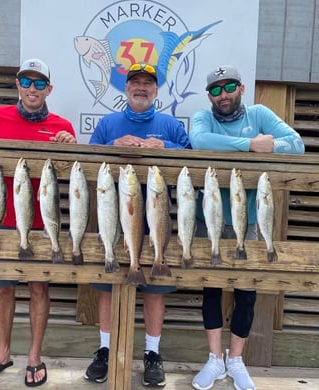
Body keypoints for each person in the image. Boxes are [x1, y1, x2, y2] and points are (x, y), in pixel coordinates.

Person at [189, 65, 305, 390]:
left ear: (241, 87)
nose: (222, 95)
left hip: (252, 222)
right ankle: (214, 359)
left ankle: (236, 360)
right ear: (209, 96)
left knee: (246, 292)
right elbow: (199, 141)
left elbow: (296, 144)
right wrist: (251, 145)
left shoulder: (260, 113)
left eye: (228, 88)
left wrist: (274, 146)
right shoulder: (203, 118)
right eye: (215, 90)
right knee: (210, 289)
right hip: (208, 218)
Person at [0, 58, 76, 387]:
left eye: (40, 83)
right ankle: (2, 353)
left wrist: (70, 146)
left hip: (43, 223)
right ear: (17, 84)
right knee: (2, 289)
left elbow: (72, 175)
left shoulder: (63, 125)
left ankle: (35, 356)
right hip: (2, 221)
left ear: (49, 89)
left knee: (39, 288)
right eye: (26, 82)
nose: (32, 89)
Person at [84, 63, 191, 388]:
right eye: (135, 82)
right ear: (126, 88)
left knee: (155, 291)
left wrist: (166, 148)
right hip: (114, 221)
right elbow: (87, 159)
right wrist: (112, 147)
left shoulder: (170, 125)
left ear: (156, 90)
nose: (141, 87)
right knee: (108, 288)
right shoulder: (108, 124)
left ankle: (152, 354)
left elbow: (192, 158)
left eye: (148, 83)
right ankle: (105, 350)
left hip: (157, 222)